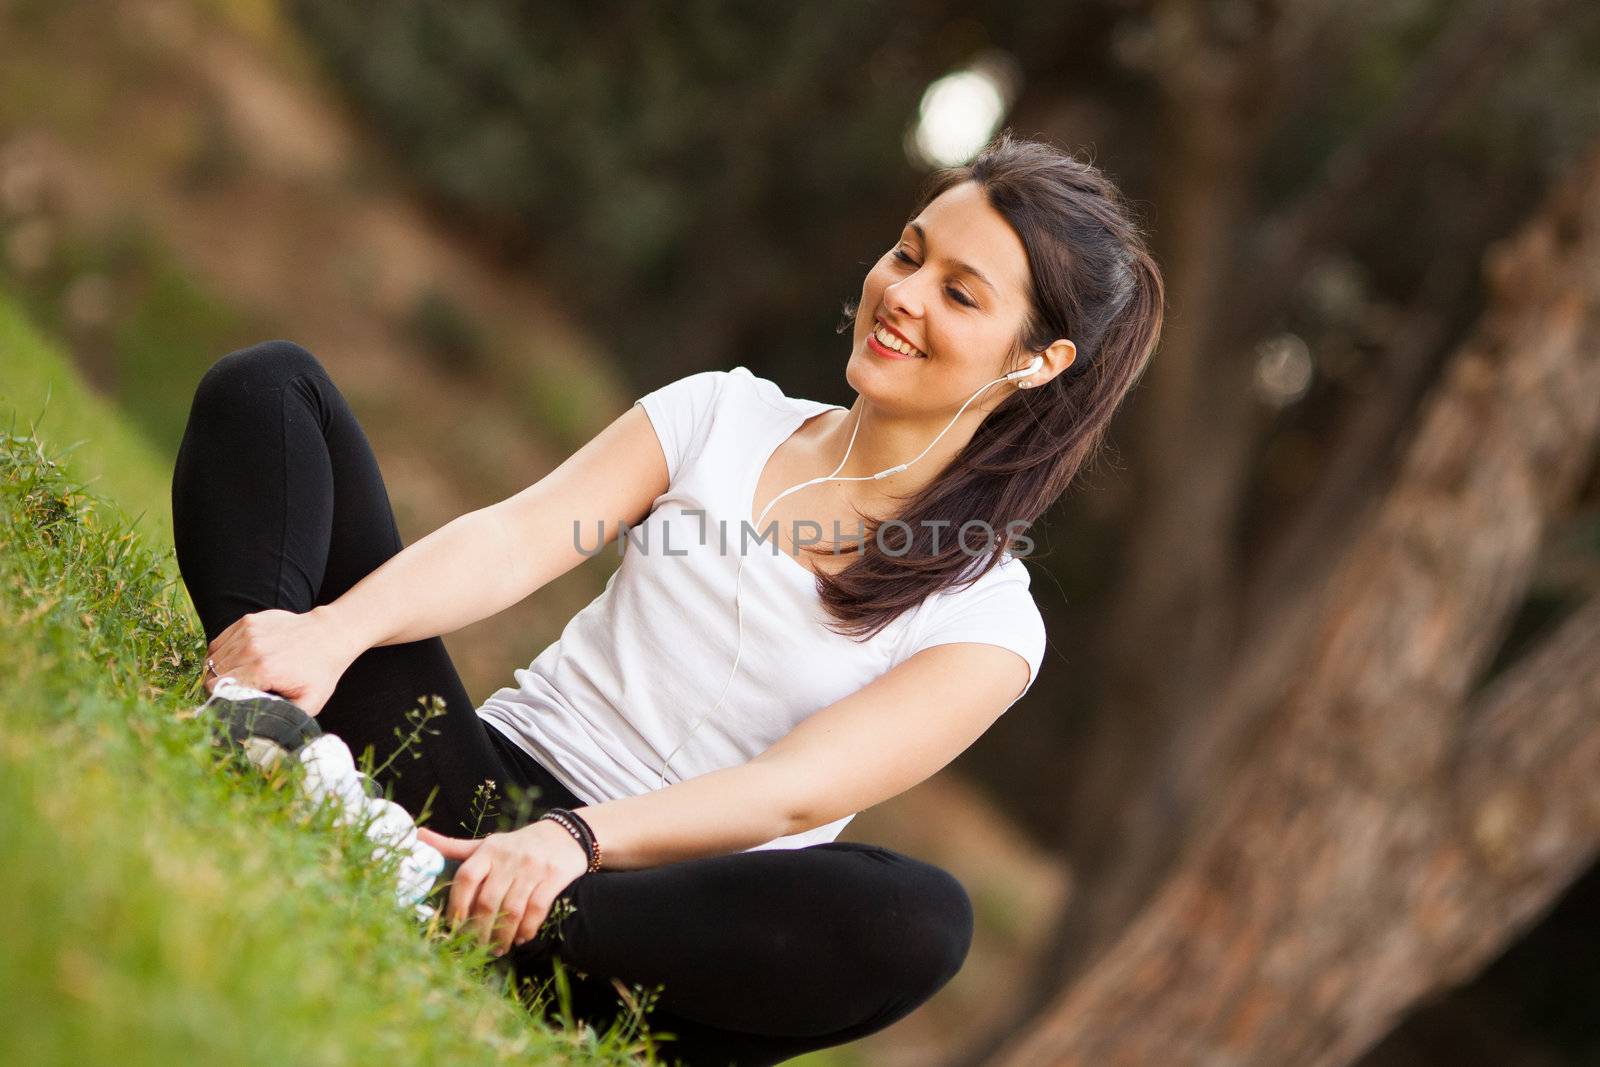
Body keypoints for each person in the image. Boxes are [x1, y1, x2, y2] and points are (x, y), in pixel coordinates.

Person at [170, 130, 1164, 1066]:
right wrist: (332, 632)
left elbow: (796, 789)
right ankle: (263, 712)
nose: (902, 295)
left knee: (922, 917)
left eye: (959, 292)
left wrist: (574, 842)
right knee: (274, 391)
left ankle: (434, 886)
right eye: (907, 255)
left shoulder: (989, 617)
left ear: (1037, 361)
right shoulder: (722, 414)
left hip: (639, 923)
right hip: (471, 786)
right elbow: (520, 537)